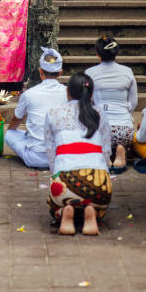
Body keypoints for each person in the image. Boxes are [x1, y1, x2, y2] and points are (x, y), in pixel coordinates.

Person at [44, 72, 112, 235]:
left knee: (54, 204)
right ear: (91, 93)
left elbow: (50, 151)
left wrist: (57, 175)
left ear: (67, 92)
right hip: (98, 183)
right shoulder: (100, 114)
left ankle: (65, 212)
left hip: (64, 182)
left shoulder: (53, 113)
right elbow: (106, 151)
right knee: (100, 205)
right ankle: (93, 213)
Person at [5, 47, 67, 168]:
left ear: (41, 72)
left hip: (35, 158)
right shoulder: (68, 92)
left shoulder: (29, 94)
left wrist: (11, 130)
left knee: (9, 135)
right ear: (60, 73)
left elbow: (16, 120)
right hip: (62, 157)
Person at [85, 36, 137, 174]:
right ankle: (121, 148)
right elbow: (133, 103)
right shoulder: (127, 71)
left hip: (100, 130)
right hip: (124, 129)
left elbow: (87, 102)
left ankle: (104, 153)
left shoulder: (90, 73)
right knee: (124, 128)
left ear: (97, 53)